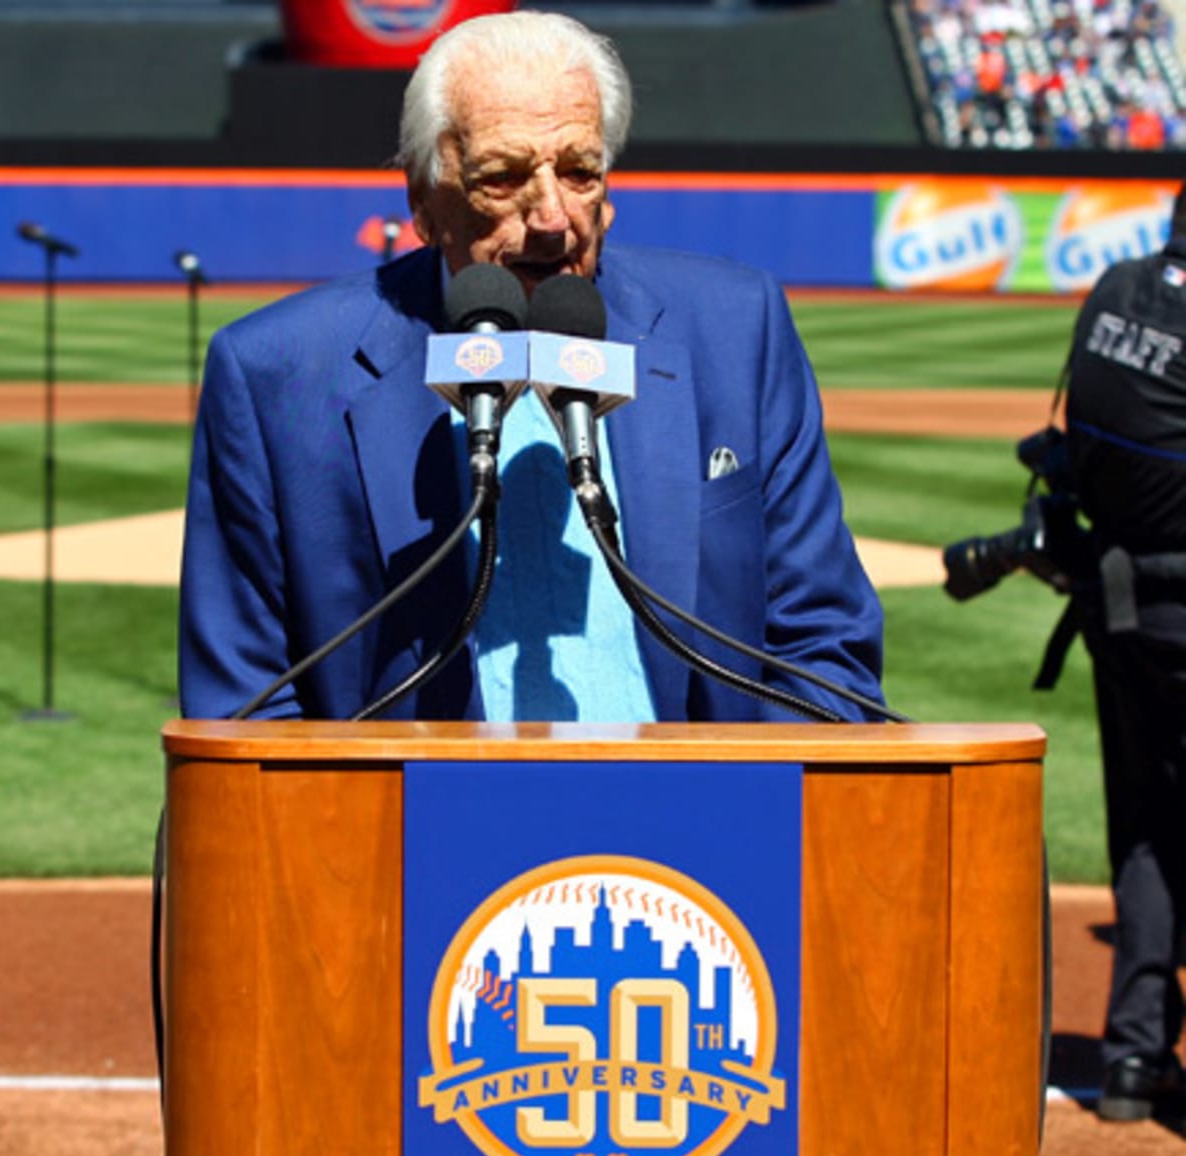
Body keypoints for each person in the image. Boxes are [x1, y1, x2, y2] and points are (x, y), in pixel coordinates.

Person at [177, 10, 884, 725]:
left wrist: (727, 821)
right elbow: (244, 715)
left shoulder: (737, 330)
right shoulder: (274, 374)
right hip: (414, 832)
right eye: (502, 178)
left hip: (691, 825)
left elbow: (826, 653)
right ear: (423, 204)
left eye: (580, 172)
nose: (552, 217)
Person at [1062, 183, 1186, 1122]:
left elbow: (1073, 442)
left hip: (1121, 602)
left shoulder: (1111, 291)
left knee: (1145, 826)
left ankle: (1136, 1056)